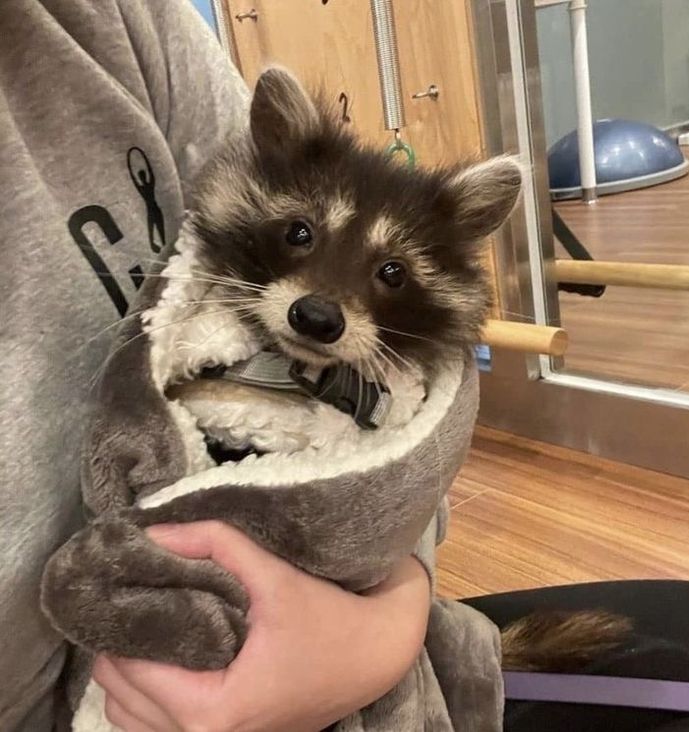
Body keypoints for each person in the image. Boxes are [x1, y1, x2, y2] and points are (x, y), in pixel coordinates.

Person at [1, 3, 431, 730]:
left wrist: (386, 630)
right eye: (299, 235)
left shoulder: (111, 20)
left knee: (687, 648)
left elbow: (404, 424)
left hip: (331, 634)